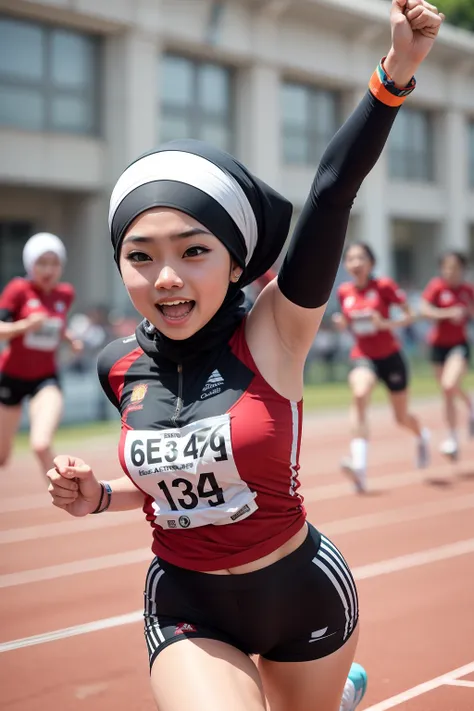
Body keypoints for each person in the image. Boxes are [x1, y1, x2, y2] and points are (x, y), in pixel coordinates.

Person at [46, 2, 443, 710]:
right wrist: (103, 495)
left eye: (194, 251)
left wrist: (397, 73)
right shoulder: (116, 365)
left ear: (235, 264)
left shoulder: (272, 332)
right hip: (186, 601)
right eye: (141, 256)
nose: (166, 276)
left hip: (300, 595)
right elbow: (177, 481)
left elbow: (330, 194)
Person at [333, 243, 430, 492]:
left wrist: (384, 323)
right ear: (346, 265)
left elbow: (410, 316)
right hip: (363, 355)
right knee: (360, 393)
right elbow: (346, 321)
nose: (356, 263)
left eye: (361, 258)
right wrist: (341, 322)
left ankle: (422, 436)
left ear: (371, 264)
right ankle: (359, 466)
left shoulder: (384, 287)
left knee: (401, 417)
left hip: (391, 357)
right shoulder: (344, 291)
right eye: (351, 259)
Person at [0, 232, 81, 477]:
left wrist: (70, 339)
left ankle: (64, 493)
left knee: (41, 444)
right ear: (30, 265)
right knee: (1, 457)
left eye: (54, 263)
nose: (48, 270)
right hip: (10, 378)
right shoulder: (18, 290)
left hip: (45, 378)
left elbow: (55, 325)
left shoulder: (65, 294)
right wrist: (25, 325)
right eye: (42, 263)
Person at [420, 251, 474, 460]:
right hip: (437, 347)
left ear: (463, 269)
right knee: (448, 390)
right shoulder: (436, 287)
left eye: (455, 267)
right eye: (446, 267)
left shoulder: (467, 290)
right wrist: (448, 313)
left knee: (448, 385)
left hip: (459, 345)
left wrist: (467, 311)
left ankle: (452, 438)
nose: (450, 271)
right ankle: (469, 406)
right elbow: (424, 310)